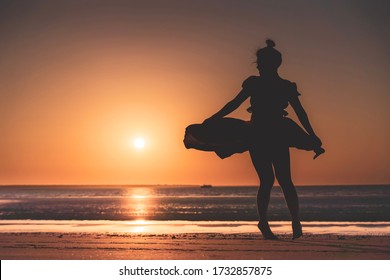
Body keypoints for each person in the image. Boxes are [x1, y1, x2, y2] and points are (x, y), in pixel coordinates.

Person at [203, 39, 324, 239]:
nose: (257, 66)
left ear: (269, 64)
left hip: (268, 132)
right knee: (274, 180)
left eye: (259, 62)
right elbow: (234, 103)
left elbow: (301, 112)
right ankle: (270, 223)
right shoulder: (264, 84)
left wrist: (312, 134)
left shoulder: (280, 86)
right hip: (263, 133)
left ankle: (294, 222)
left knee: (276, 180)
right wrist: (214, 118)